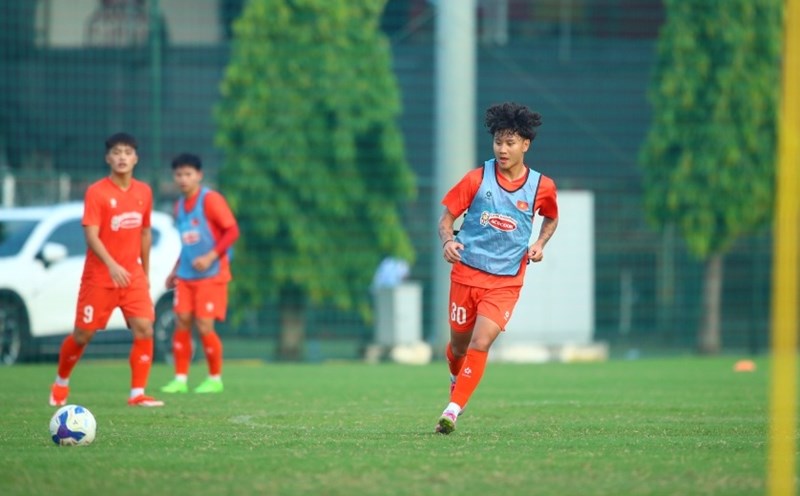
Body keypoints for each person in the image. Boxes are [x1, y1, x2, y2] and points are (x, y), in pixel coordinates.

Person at [435, 102, 559, 434]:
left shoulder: (541, 186)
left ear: (525, 145)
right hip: (466, 273)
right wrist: (448, 242)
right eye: (498, 142)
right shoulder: (476, 179)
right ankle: (455, 378)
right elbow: (446, 219)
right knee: (458, 348)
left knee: (481, 342)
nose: (502, 149)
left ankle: (452, 410)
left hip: (505, 282)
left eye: (510, 143)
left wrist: (539, 244)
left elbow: (551, 217)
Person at [49, 132, 164, 407]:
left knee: (145, 328)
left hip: (132, 275)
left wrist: (144, 273)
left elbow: (145, 233)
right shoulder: (97, 192)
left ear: (135, 158)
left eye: (127, 152)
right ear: (107, 158)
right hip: (100, 276)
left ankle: (137, 393)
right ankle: (61, 382)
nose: (122, 157)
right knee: (83, 335)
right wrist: (111, 265)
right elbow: (91, 236)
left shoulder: (144, 192)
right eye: (116, 152)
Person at [159, 153, 239, 394]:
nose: (183, 179)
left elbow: (232, 231)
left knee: (204, 325)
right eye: (179, 174)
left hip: (212, 274)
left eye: (188, 174)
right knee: (181, 322)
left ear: (199, 175)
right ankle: (180, 379)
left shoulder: (210, 200)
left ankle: (215, 378)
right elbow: (188, 244)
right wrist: (175, 270)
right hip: (186, 275)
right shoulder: (179, 206)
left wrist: (211, 256)